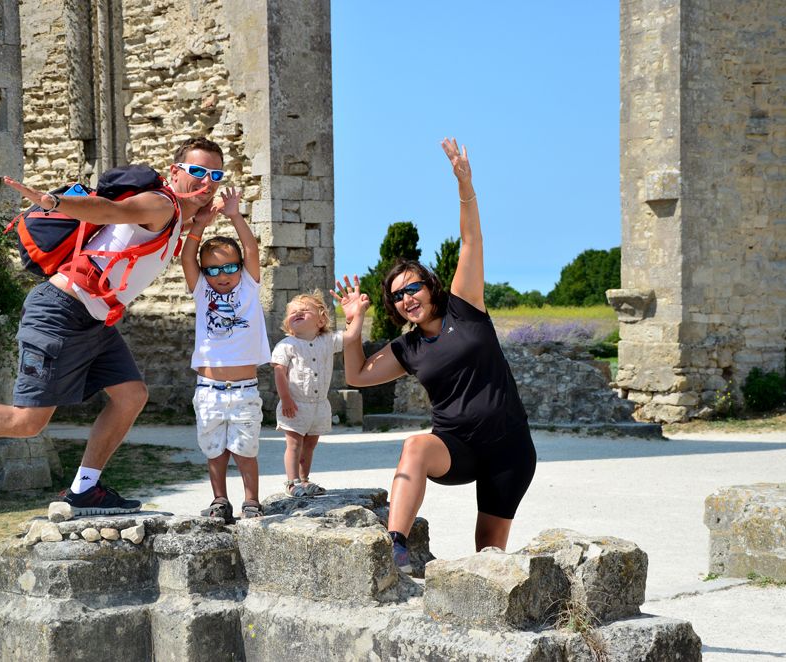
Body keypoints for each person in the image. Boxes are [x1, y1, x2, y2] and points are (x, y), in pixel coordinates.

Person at [0, 137, 225, 515]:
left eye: (215, 175)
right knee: (26, 421)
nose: (206, 182)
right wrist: (53, 202)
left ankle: (84, 490)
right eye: (197, 172)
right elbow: (108, 210)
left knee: (131, 396)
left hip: (94, 319)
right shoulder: (161, 203)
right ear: (175, 172)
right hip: (61, 311)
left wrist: (200, 223)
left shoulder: (179, 217)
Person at [333, 138, 537, 574]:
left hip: (510, 448)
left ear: (430, 286)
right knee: (415, 445)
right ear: (393, 307)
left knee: (489, 555)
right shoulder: (406, 347)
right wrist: (354, 328)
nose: (407, 298)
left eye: (413, 287)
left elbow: (470, 240)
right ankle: (396, 545)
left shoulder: (466, 307)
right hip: (456, 449)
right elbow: (357, 376)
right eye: (397, 295)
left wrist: (465, 185)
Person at [181, 186, 270, 522]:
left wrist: (234, 215)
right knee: (214, 449)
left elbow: (250, 247)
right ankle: (220, 500)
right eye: (213, 270)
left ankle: (251, 500)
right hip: (208, 390)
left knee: (246, 449)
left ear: (240, 268)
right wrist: (199, 225)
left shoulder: (249, 285)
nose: (222, 276)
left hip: (245, 390)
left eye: (229, 268)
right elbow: (187, 257)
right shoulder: (201, 290)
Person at [271, 291, 343, 498]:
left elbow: (351, 336)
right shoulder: (286, 345)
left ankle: (304, 479)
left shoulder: (327, 341)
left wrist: (354, 315)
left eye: (304, 310)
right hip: (295, 404)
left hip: (319, 405)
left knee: (310, 445)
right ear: (287, 322)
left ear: (321, 320)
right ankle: (292, 482)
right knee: (294, 444)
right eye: (293, 312)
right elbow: (279, 372)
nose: (298, 313)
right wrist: (285, 399)